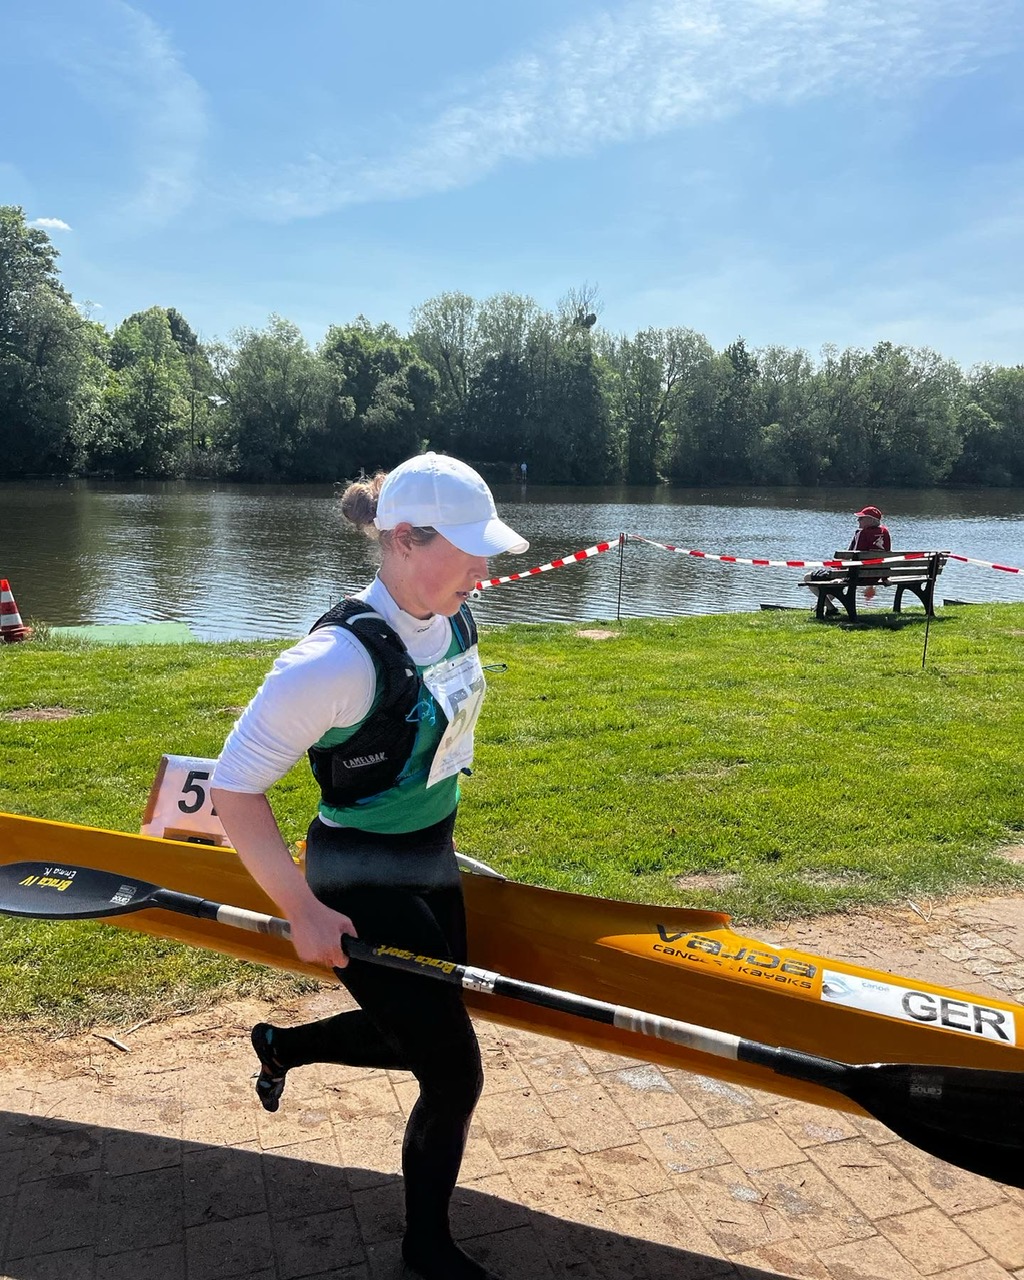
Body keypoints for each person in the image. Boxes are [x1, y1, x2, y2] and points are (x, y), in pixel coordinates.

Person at [210, 452, 528, 1280]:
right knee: (453, 1073)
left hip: (429, 857)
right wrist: (300, 909)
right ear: (405, 540)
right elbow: (234, 789)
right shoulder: (331, 662)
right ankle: (425, 1250)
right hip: (356, 875)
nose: (484, 572)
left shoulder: (454, 617)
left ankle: (282, 1046)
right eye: (470, 552)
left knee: (419, 1036)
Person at [849, 505, 891, 600]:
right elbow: (887, 554)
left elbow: (854, 555)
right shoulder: (885, 532)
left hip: (860, 575)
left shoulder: (862, 533)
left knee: (836, 578)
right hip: (879, 574)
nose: (858, 520)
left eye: (861, 518)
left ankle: (826, 605)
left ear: (871, 520)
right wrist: (884, 577)